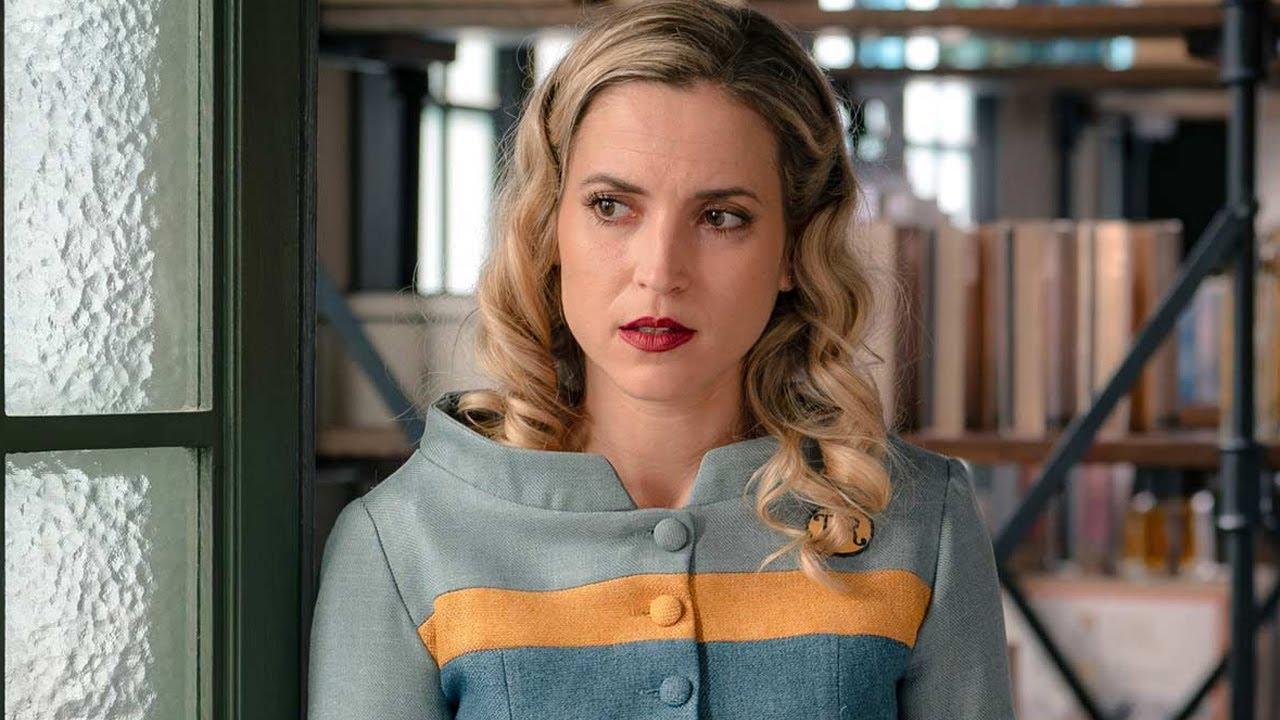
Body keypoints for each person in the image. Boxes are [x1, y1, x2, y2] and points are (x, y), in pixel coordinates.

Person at [308, 1, 1015, 717]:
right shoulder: (404, 541)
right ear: (550, 226)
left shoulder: (924, 522)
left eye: (721, 217)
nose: (660, 271)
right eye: (611, 206)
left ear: (793, 248)